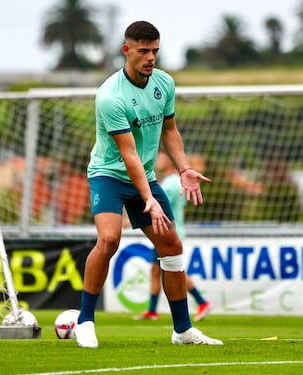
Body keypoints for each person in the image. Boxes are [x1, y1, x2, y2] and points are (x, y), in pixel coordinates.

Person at [75, 20, 223, 348]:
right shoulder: (111, 96)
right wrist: (149, 199)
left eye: (155, 50)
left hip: (146, 175)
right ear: (126, 51)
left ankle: (182, 330)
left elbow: (170, 131)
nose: (151, 57)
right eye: (143, 51)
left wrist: (184, 168)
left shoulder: (165, 84)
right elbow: (128, 155)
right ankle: (84, 320)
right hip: (109, 175)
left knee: (171, 246)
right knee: (110, 239)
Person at [137, 150, 212, 321]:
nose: (157, 160)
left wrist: (130, 219)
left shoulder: (170, 184)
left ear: (170, 161)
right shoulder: (176, 182)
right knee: (156, 270)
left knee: (172, 269)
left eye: (162, 157)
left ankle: (202, 302)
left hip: (166, 232)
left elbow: (158, 208)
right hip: (169, 230)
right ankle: (152, 310)